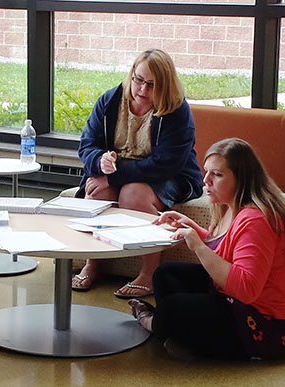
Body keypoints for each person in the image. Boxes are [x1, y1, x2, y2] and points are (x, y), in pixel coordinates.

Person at [128, 137, 285, 360]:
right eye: (206, 172)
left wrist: (197, 245)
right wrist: (191, 227)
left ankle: (158, 325)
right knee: (166, 274)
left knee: (169, 311)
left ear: (241, 179)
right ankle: (183, 336)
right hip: (244, 303)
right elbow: (228, 248)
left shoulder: (255, 220)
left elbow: (246, 288)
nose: (205, 180)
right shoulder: (233, 206)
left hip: (273, 323)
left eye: (217, 174)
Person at [72, 48, 204, 297]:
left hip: (169, 176)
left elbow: (167, 164)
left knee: (132, 195)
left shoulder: (176, 110)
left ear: (165, 86)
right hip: (120, 171)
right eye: (138, 80)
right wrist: (99, 162)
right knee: (98, 194)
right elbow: (87, 145)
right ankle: (93, 263)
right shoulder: (110, 101)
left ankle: (149, 273)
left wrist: (113, 175)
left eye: (152, 85)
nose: (142, 90)